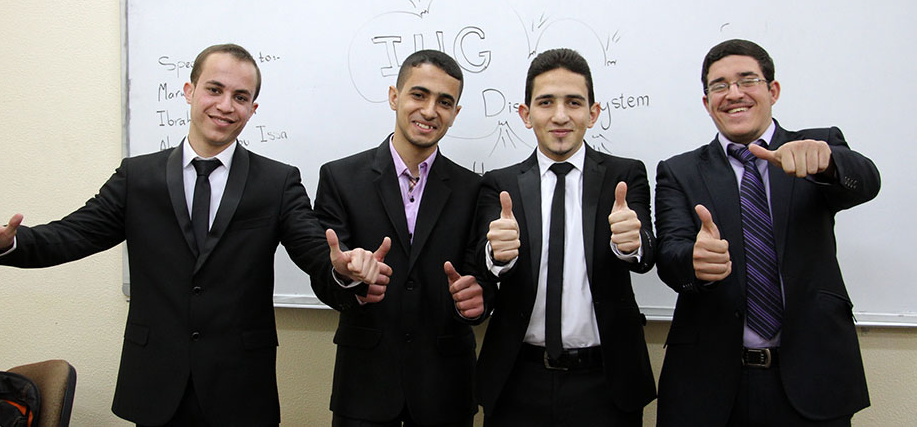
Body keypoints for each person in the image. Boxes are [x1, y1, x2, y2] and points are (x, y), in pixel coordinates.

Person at [0, 43, 386, 427]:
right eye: (214, 90)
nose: (225, 105)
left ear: (253, 108)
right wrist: (9, 244)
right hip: (155, 382)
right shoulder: (138, 177)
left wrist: (343, 268)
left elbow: (314, 250)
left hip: (240, 386)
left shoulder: (276, 182)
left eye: (240, 97)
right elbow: (73, 234)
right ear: (189, 91)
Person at [654, 39, 879, 426]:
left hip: (814, 376)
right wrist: (694, 262)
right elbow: (670, 255)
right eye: (719, 86)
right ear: (707, 102)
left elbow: (866, 181)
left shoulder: (813, 147)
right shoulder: (680, 171)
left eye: (747, 80)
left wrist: (827, 162)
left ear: (772, 90)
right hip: (709, 383)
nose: (734, 94)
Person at [474, 48, 656, 426]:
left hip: (606, 382)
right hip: (517, 380)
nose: (560, 116)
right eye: (546, 102)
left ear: (593, 113)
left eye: (574, 102)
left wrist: (631, 244)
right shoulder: (499, 184)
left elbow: (646, 252)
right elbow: (484, 261)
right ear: (526, 114)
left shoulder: (625, 176)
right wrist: (498, 254)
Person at [311, 49, 491, 427]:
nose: (430, 111)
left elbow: (481, 279)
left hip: (446, 387)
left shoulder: (474, 189)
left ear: (456, 112)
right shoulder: (340, 178)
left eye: (444, 102)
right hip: (365, 387)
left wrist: (478, 299)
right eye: (418, 95)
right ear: (394, 96)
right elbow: (325, 279)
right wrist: (349, 278)